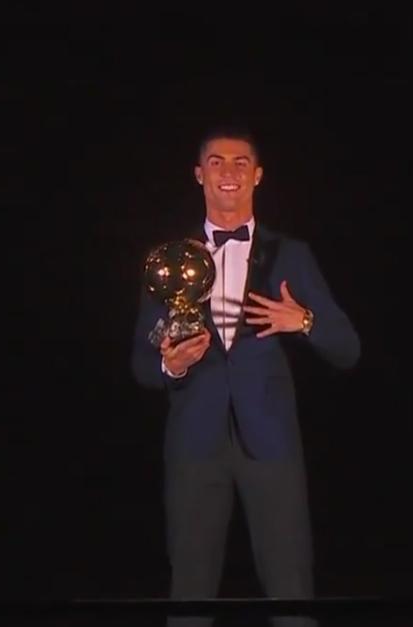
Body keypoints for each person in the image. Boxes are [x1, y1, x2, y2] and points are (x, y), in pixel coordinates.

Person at [130, 125, 361, 627]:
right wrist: (172, 364)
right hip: (194, 448)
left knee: (291, 595)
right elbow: (142, 365)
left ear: (258, 175)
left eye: (241, 163)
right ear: (199, 175)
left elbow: (348, 349)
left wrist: (302, 321)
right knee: (189, 597)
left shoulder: (290, 255)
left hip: (272, 448)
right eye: (216, 162)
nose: (228, 172)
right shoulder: (170, 262)